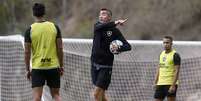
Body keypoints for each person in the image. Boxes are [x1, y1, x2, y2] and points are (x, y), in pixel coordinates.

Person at [24, 3, 63, 101]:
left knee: (37, 97)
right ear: (44, 13)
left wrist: (27, 69)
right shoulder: (54, 27)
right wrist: (61, 65)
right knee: (56, 95)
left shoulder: (30, 30)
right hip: (53, 66)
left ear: (33, 14)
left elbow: (27, 52)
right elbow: (60, 48)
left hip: (38, 68)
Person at [91, 8, 131, 101]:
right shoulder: (97, 26)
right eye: (100, 14)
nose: (101, 16)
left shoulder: (115, 31)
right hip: (94, 64)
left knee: (96, 94)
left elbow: (128, 46)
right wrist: (116, 22)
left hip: (106, 67)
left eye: (104, 14)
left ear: (109, 17)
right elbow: (100, 27)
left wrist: (118, 48)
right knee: (102, 96)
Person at [154, 36, 181, 101]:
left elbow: (177, 71)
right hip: (160, 83)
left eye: (167, 43)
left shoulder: (175, 55)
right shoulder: (161, 54)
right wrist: (155, 82)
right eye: (164, 43)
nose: (165, 44)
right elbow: (159, 68)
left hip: (170, 83)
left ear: (171, 44)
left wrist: (173, 85)